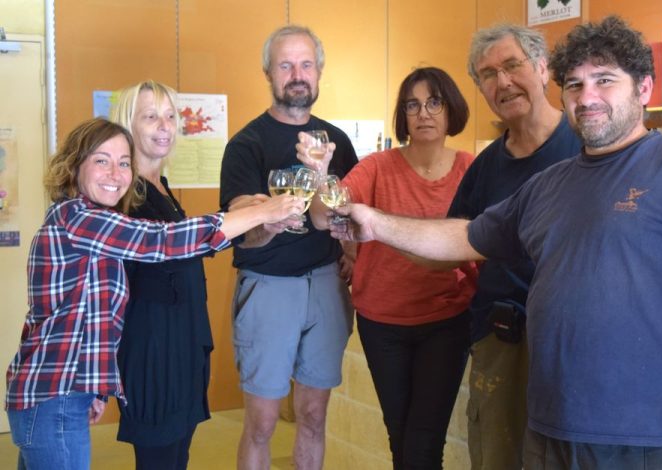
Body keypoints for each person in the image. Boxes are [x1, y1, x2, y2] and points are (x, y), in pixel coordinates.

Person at [331, 16, 662, 470]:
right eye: (574, 84)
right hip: (551, 427)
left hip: (649, 437)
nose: (587, 97)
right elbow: (463, 236)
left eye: (604, 80)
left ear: (644, 89)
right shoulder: (547, 185)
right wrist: (375, 223)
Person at [4, 118, 303, 470]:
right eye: (101, 160)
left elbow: (87, 319)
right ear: (74, 165)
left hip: (60, 393)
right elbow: (162, 240)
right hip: (53, 399)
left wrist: (95, 387)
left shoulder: (89, 222)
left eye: (124, 163)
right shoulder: (78, 219)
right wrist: (261, 211)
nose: (115, 173)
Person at [301, 66, 476, 469]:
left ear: (451, 108)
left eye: (434, 102)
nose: (424, 113)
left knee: (424, 443)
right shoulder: (377, 166)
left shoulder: (470, 169)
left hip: (447, 320)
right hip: (383, 324)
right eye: (412, 105)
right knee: (400, 437)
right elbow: (323, 217)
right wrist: (319, 176)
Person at [218, 25, 358, 470]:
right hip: (268, 286)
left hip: (326, 286)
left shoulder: (338, 142)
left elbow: (346, 215)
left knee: (314, 416)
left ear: (318, 72)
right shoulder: (246, 145)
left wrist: (351, 254)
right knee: (261, 423)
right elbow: (242, 232)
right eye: (285, 65)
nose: (297, 75)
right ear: (268, 73)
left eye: (305, 64)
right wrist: (269, 222)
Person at [449, 24, 582, 470]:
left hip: (574, 340)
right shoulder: (485, 167)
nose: (503, 82)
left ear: (543, 69)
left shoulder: (587, 146)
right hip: (502, 340)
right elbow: (453, 240)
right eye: (488, 75)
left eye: (512, 66)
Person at [109, 80, 211, 469]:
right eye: (151, 116)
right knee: (160, 458)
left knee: (177, 456)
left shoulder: (161, 187)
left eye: (170, 116)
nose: (165, 126)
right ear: (127, 124)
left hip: (183, 342)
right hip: (152, 351)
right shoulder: (122, 193)